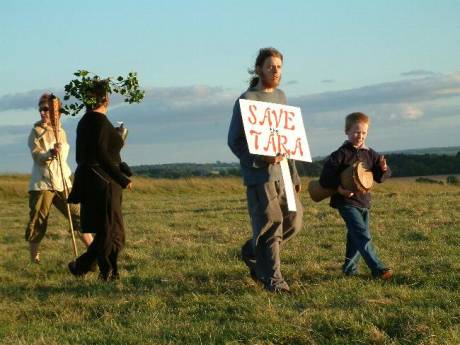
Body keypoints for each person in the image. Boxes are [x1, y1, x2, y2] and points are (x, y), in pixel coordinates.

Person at [228, 47, 303, 292]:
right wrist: (261, 159)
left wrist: (294, 174)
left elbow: (286, 140)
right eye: (270, 66)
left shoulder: (281, 97)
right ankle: (275, 282)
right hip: (261, 176)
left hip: (284, 174)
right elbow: (235, 141)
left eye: (279, 67)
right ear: (259, 68)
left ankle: (253, 251)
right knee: (272, 224)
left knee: (294, 221)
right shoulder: (247, 100)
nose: (275, 70)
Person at [67, 80, 133, 281]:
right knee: (110, 230)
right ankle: (86, 266)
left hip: (94, 179)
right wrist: (121, 178)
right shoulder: (97, 121)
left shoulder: (88, 120)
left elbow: (104, 151)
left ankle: (109, 272)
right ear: (105, 98)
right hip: (102, 181)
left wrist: (118, 138)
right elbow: (101, 154)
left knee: (109, 230)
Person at [319, 112, 393, 280]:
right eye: (356, 132)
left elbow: (381, 177)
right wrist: (339, 188)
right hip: (345, 201)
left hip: (364, 201)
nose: (360, 136)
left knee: (355, 236)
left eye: (364, 133)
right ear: (347, 131)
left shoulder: (371, 154)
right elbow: (325, 178)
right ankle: (378, 269)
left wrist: (383, 168)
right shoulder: (340, 154)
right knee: (361, 234)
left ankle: (349, 269)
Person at [25, 93, 93, 264]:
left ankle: (95, 252)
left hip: (63, 182)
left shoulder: (61, 132)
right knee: (38, 221)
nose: (42, 112)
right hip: (42, 183)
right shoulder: (36, 132)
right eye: (40, 109)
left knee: (79, 217)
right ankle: (34, 260)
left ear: (56, 111)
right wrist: (50, 153)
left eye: (46, 109)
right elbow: (37, 156)